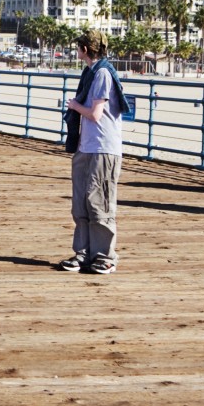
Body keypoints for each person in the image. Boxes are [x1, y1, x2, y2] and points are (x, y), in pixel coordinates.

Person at [58, 31, 126, 274]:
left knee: (100, 203)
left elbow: (95, 115)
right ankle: (84, 253)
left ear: (85, 49)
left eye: (78, 47)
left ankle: (105, 256)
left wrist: (75, 105)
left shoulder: (103, 74)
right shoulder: (90, 73)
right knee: (82, 204)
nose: (77, 51)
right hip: (86, 146)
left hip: (103, 148)